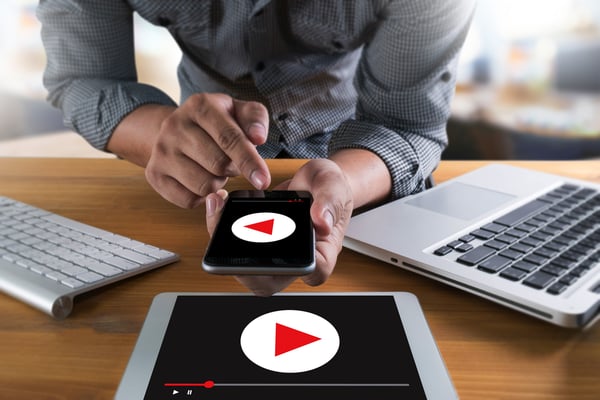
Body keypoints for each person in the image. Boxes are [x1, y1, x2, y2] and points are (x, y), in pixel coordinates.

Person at [37, 0, 476, 296]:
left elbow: (408, 125)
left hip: (358, 168)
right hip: (191, 187)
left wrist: (342, 181)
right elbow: (83, 79)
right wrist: (163, 135)